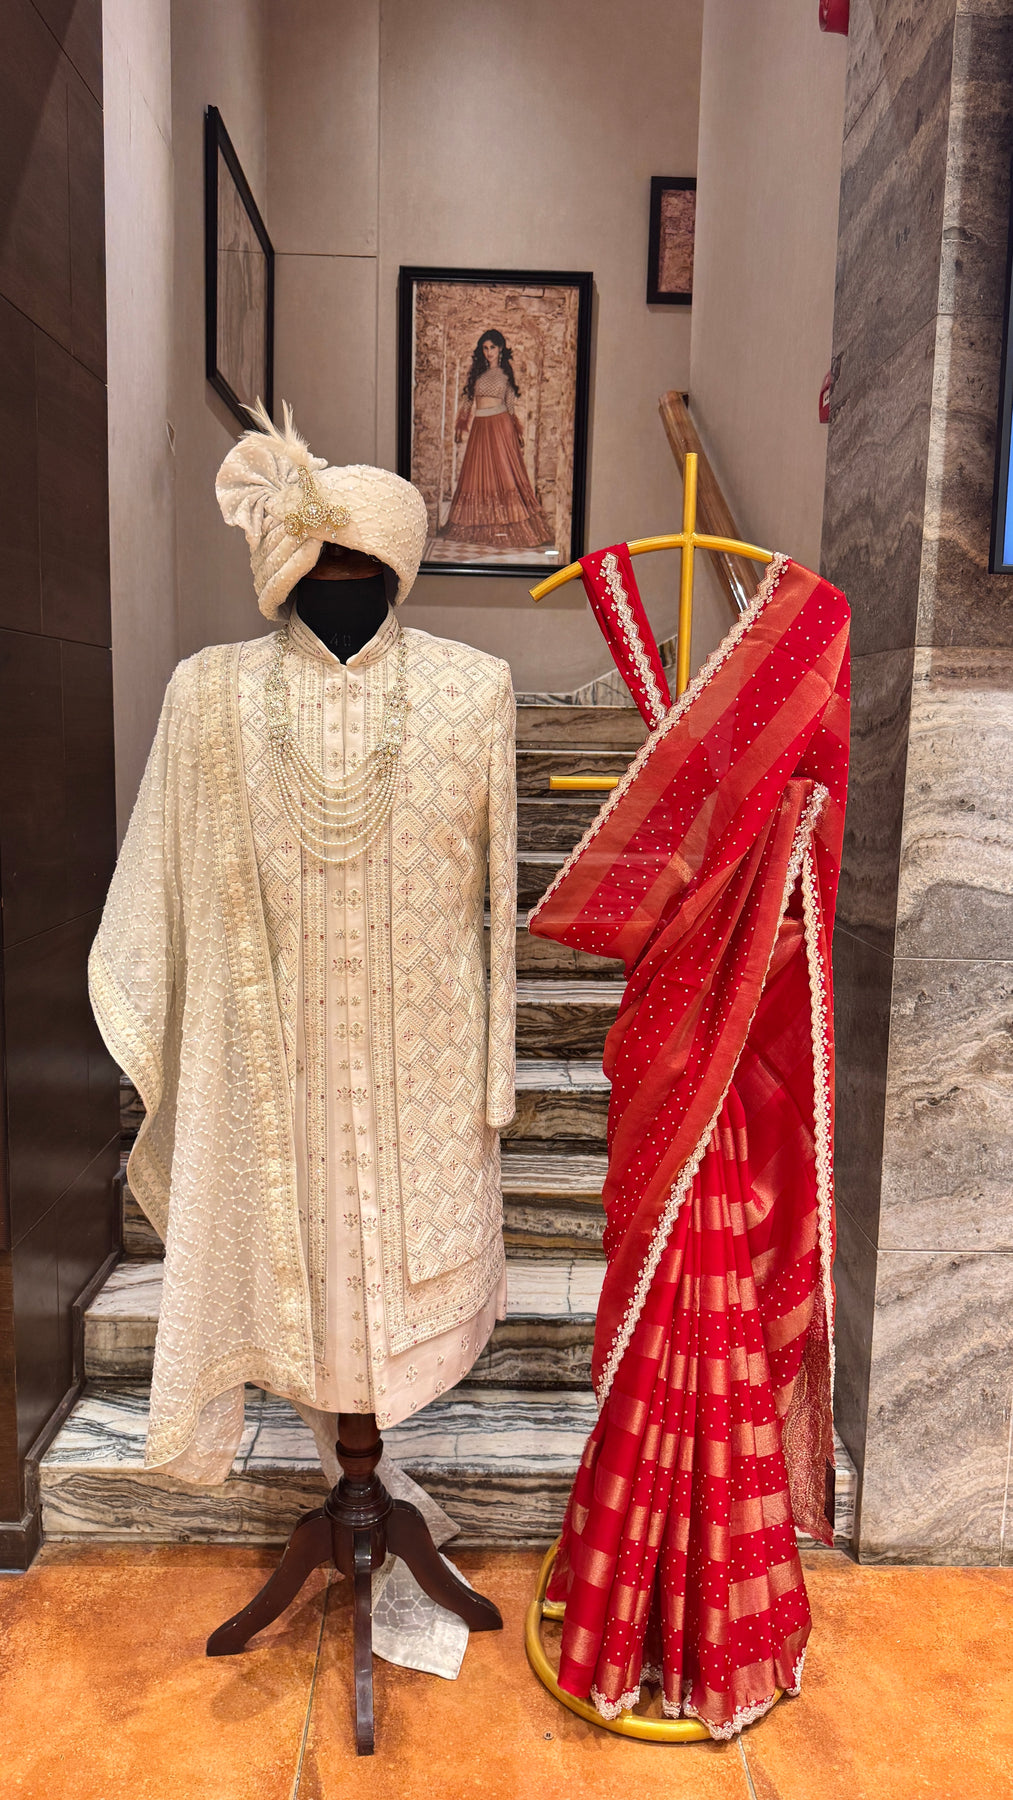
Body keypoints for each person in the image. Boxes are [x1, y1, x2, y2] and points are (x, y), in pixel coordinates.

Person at [529, 541, 850, 1739]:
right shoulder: (742, 710)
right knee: (655, 1283)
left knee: (700, 1286)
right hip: (665, 1045)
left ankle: (672, 1607)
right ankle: (645, 1587)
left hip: (726, 1051)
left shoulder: (810, 640)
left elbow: (797, 854)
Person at [438, 329, 552, 550]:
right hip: (480, 427)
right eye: (485, 348)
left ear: (500, 349)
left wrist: (517, 431)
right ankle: (482, 524)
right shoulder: (477, 373)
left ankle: (508, 524)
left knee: (505, 474)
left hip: (501, 426)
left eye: (492, 347)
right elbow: (468, 401)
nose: (488, 352)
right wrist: (461, 425)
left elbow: (510, 406)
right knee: (477, 474)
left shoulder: (505, 375)